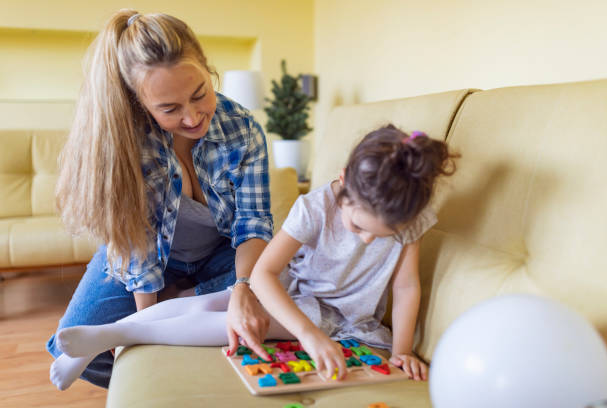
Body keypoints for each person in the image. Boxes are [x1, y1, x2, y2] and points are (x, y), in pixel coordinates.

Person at [50, 124, 457, 389]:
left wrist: (402, 349)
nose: (369, 241)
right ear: (343, 181)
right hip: (292, 292)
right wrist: (307, 335)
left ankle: (114, 334)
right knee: (209, 304)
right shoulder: (315, 208)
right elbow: (264, 273)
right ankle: (108, 334)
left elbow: (405, 286)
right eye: (359, 228)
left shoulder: (410, 218)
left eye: (382, 235)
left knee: (228, 322)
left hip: (338, 315)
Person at [47, 9, 273, 389]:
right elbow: (140, 251)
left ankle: (183, 305)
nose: (193, 116)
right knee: (72, 344)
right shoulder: (129, 146)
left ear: (205, 66)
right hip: (145, 263)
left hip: (220, 257)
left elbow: (253, 225)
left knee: (278, 289)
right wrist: (145, 326)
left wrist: (244, 287)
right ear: (141, 104)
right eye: (169, 109)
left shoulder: (243, 128)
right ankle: (179, 318)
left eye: (200, 93)